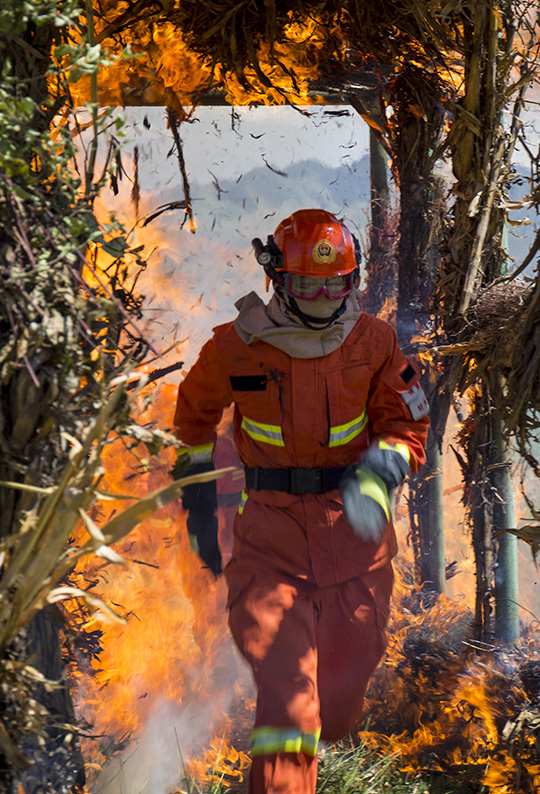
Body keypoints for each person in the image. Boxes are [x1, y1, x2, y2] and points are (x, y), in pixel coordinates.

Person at [173, 208, 430, 794]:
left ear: (352, 281)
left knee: (335, 711)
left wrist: (381, 471)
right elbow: (192, 417)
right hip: (269, 550)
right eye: (307, 282)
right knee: (291, 699)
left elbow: (408, 423)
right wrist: (199, 505)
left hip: (355, 550)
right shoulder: (236, 347)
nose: (321, 294)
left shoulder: (377, 342)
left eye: (334, 282)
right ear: (278, 280)